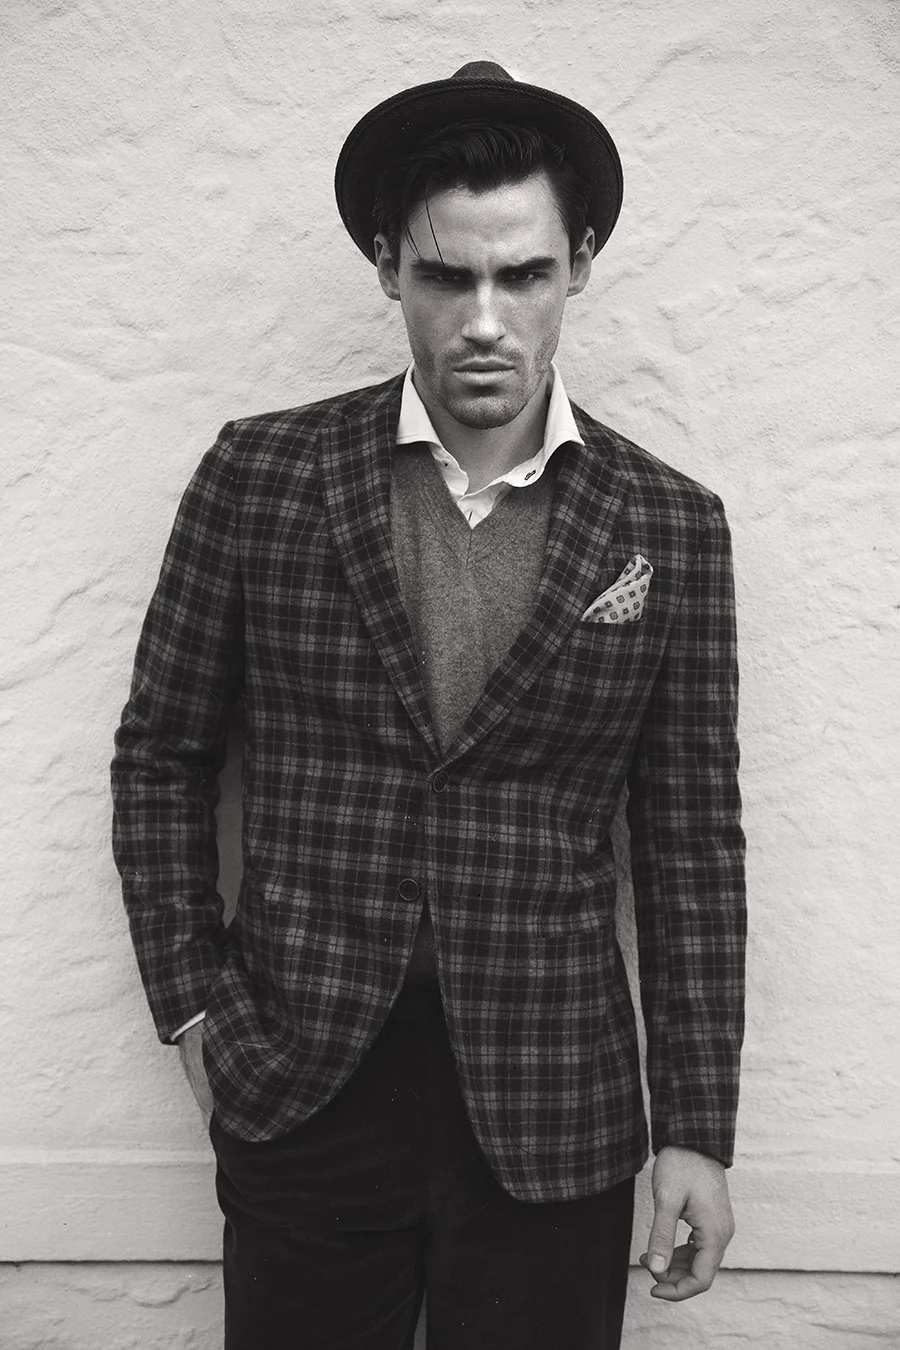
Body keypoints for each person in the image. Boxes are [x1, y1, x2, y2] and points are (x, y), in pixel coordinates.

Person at [112, 61, 746, 1350]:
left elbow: (690, 842)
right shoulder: (261, 476)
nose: (485, 320)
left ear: (579, 266)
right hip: (302, 1080)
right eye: (448, 276)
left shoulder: (669, 525)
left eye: (525, 275)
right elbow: (162, 755)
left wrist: (695, 1127)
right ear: (389, 267)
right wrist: (196, 1011)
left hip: (555, 1106)